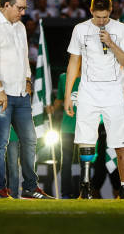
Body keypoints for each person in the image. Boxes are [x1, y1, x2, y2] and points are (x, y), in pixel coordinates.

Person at [0, 0, 53, 199]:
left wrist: (28, 80)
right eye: (19, 8)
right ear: (6, 5)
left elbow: (24, 56)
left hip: (20, 92)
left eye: (24, 8)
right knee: (0, 142)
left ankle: (29, 187)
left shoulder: (19, 27)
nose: (23, 12)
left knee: (30, 139)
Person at [64, 0, 124, 199]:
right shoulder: (80, 29)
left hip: (114, 91)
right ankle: (85, 186)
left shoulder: (121, 29)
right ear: (91, 11)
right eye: (98, 16)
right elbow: (73, 63)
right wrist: (69, 95)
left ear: (111, 12)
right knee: (85, 139)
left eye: (105, 17)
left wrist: (111, 43)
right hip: (88, 91)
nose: (101, 21)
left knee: (121, 142)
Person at [52, 71, 80, 199]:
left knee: (86, 161)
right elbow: (59, 98)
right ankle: (66, 193)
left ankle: (84, 192)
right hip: (67, 127)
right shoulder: (63, 77)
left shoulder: (90, 74)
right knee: (66, 161)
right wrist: (51, 108)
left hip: (85, 127)